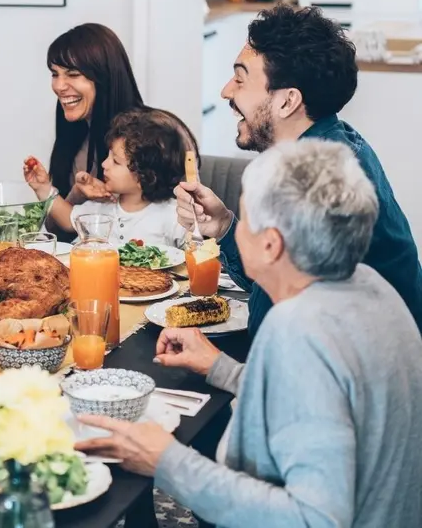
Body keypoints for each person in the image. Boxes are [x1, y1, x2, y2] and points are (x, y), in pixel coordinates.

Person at [76, 139, 422, 527]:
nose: (237, 232)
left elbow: (315, 518)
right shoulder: (371, 286)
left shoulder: (299, 327)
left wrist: (166, 460)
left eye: (245, 219)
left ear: (271, 244)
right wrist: (221, 368)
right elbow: (324, 397)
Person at [175, 4, 422, 336]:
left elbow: (279, 329)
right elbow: (279, 278)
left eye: (239, 79)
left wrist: (217, 366)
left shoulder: (314, 186)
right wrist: (223, 227)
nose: (226, 91)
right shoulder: (330, 147)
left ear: (287, 101)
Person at [23, 23, 199, 241]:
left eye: (73, 74)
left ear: (104, 76)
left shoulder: (157, 136)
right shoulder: (74, 135)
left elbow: (196, 228)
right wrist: (78, 193)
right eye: (54, 74)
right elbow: (58, 230)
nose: (59, 86)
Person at [27, 107, 189, 248]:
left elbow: (196, 255)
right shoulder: (102, 206)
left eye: (116, 161)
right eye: (108, 156)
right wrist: (43, 188)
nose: (104, 164)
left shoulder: (175, 215)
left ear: (145, 176)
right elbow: (68, 220)